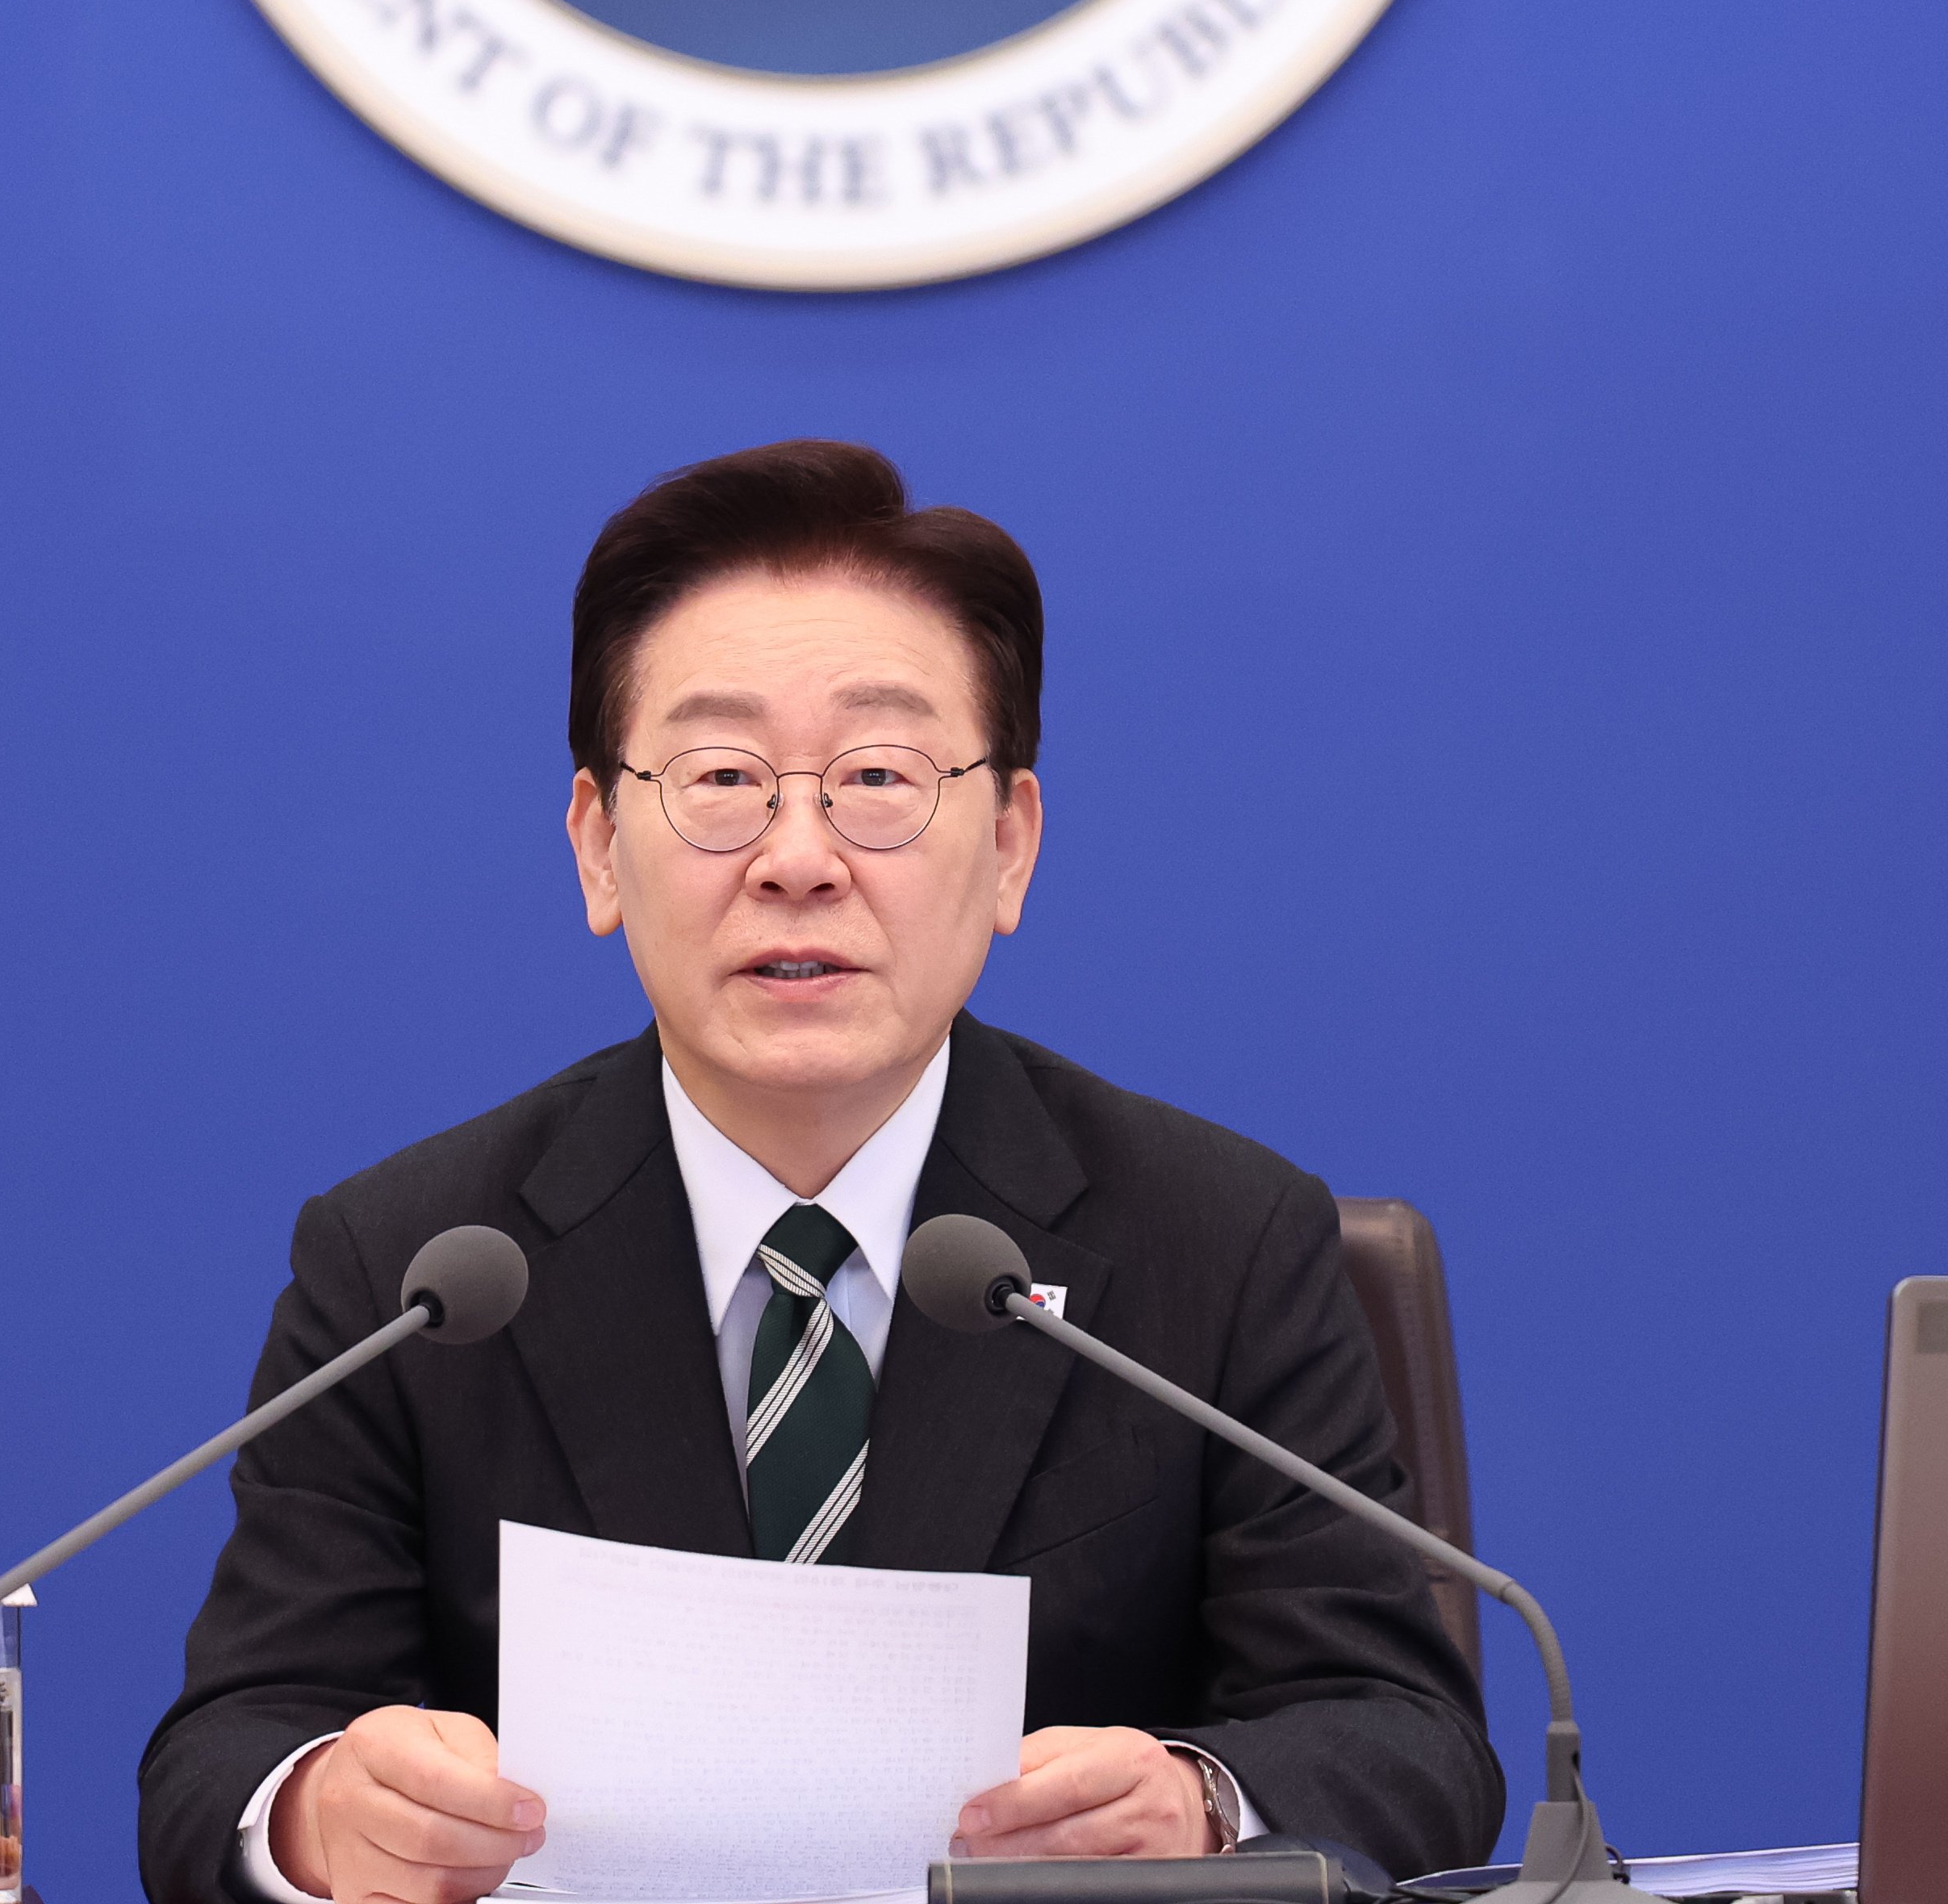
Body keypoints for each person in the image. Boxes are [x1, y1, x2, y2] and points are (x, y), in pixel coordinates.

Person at [138, 442, 1501, 1904]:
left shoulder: (1216, 1241)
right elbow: (228, 1752)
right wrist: (318, 1815)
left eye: (877, 778)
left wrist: (1199, 1806)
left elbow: (1404, 1737)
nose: (798, 857)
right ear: (598, 847)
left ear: (1009, 848)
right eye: (723, 778)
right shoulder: (417, 1266)